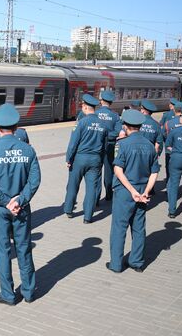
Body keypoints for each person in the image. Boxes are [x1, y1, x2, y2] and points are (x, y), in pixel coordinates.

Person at [0, 103, 41, 305]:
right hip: (21, 208)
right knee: (24, 248)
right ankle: (29, 291)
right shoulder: (28, 150)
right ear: (17, 127)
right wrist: (20, 200)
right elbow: (35, 181)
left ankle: (8, 294)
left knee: (3, 250)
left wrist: (6, 202)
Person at [107, 109, 159, 273]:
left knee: (119, 227)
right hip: (143, 192)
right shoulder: (150, 146)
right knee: (138, 228)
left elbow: (118, 170)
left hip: (125, 192)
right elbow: (154, 172)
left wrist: (131, 190)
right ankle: (136, 262)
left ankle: (116, 264)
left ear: (126, 126)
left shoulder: (122, 144)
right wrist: (146, 192)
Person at [63, 94, 107, 223]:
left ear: (85, 107)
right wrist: (100, 160)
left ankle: (69, 210)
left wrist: (68, 159)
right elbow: (104, 146)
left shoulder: (81, 123)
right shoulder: (103, 125)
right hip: (95, 160)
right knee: (92, 188)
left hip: (79, 159)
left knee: (73, 185)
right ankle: (88, 217)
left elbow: (73, 144)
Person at [95, 91, 121, 202]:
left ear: (101, 101)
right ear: (111, 102)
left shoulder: (95, 113)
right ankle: (109, 194)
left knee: (96, 171)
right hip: (110, 146)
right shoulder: (115, 115)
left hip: (96, 146)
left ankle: (95, 198)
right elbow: (118, 131)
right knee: (109, 171)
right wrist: (108, 136)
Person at [162, 102, 182, 182]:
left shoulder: (168, 123)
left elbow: (164, 134)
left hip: (170, 151)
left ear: (174, 110)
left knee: (170, 171)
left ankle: (169, 188)